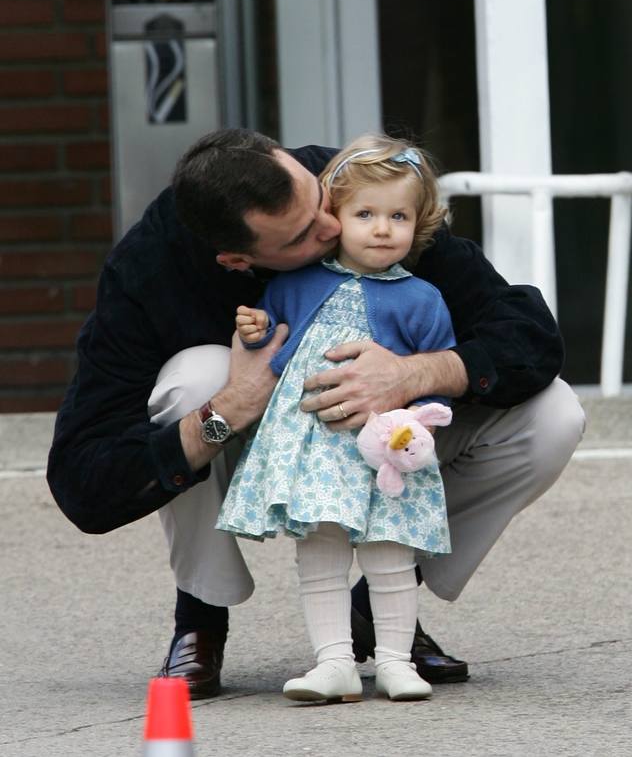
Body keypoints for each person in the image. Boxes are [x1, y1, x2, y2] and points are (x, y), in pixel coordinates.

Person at [46, 128, 585, 700]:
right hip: (256, 438)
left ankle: (374, 612)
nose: (333, 227)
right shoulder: (149, 270)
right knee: (196, 376)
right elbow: (84, 482)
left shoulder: (360, 189)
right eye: (304, 234)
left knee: (554, 414)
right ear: (238, 260)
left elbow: (528, 334)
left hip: (386, 437)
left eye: (319, 200)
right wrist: (229, 409)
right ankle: (201, 618)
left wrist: (414, 373)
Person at [216, 135, 456, 702]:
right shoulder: (294, 283)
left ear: (417, 223)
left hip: (382, 452)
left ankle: (397, 661)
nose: (381, 228)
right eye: (365, 214)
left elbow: (438, 372)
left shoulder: (422, 299)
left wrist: (417, 425)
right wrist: (254, 327)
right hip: (314, 449)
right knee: (320, 550)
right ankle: (333, 664)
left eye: (397, 215)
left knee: (390, 553)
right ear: (335, 216)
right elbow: (272, 346)